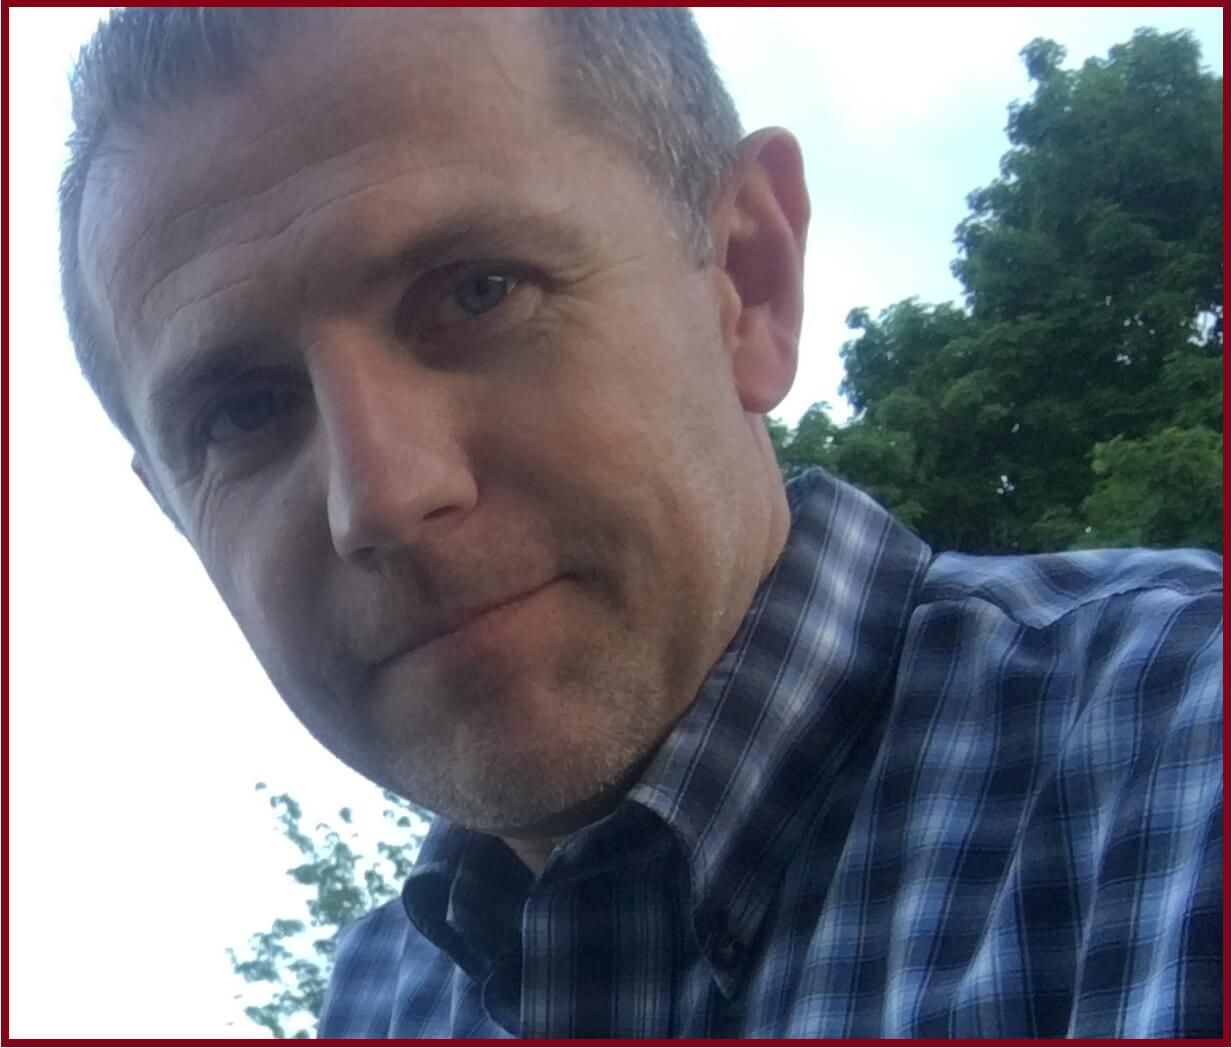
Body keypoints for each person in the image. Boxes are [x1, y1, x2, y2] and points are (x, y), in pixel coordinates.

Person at [60, 7, 1221, 1040]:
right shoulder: (380, 998)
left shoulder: (1175, 760)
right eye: (243, 413)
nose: (381, 498)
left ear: (745, 279)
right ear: (177, 514)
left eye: (476, 292)